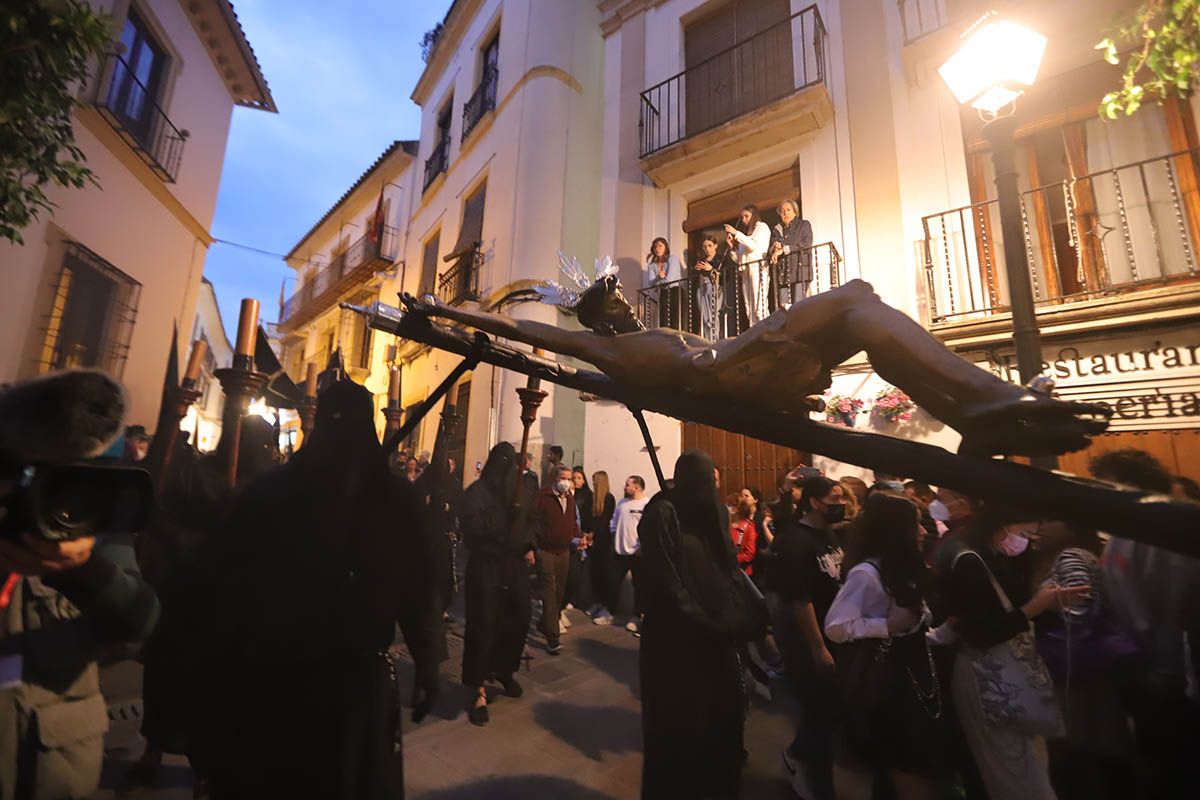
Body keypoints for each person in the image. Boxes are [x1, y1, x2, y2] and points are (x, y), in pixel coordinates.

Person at [419, 275, 1110, 457]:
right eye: (616, 304)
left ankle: (982, 411)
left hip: (741, 365)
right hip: (725, 371)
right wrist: (454, 314)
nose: (627, 307)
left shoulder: (647, 333)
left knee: (865, 319)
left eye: (624, 300)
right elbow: (513, 325)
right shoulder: (604, 349)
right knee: (855, 296)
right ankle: (990, 404)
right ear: (600, 321)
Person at [187, 379, 441, 798]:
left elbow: (416, 586)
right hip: (280, 679)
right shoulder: (272, 495)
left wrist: (428, 658)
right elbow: (226, 600)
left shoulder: (391, 499)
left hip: (347, 687)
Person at [638, 450, 768, 799]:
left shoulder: (711, 520)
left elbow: (729, 573)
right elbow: (668, 585)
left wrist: (738, 621)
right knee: (679, 741)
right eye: (706, 481)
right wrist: (709, 624)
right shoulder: (664, 514)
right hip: (674, 651)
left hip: (716, 649)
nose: (713, 488)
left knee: (719, 737)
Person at [936, 506, 1089, 800]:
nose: (1029, 540)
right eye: (1025, 532)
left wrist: (1046, 603)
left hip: (1002, 680)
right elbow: (982, 632)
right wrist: (1037, 606)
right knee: (1016, 775)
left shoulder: (985, 554)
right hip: (990, 681)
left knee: (1026, 769)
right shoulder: (969, 560)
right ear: (1002, 524)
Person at [1090, 449, 1200, 798]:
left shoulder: (1157, 535)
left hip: (1169, 673)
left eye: (1107, 486)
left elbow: (1176, 608)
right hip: (1147, 669)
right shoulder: (1126, 534)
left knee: (1176, 764)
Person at [825, 493, 948, 800]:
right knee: (904, 762)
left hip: (914, 671)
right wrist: (886, 626)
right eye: (915, 525)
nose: (923, 532)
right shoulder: (867, 574)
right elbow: (837, 626)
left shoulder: (904, 567)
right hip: (892, 681)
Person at [1029, 520, 1137, 800]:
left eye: (1048, 520)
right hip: (1085, 664)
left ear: (1069, 524)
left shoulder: (1071, 555)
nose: (1040, 527)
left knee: (1083, 745)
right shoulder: (1065, 553)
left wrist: (1039, 607)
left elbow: (1077, 610)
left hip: (1076, 665)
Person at [772, 476, 847, 800]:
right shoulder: (796, 540)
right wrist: (818, 648)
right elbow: (801, 600)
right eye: (834, 498)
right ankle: (817, 783)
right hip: (807, 638)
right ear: (815, 502)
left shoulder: (828, 533)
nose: (840, 504)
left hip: (833, 634)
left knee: (827, 711)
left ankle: (798, 754)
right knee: (819, 709)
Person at [459, 442, 537, 726]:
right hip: (487, 567)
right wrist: (502, 522)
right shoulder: (475, 494)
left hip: (513, 565)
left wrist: (528, 542)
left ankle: (505, 669)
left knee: (518, 617)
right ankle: (478, 688)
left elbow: (530, 520)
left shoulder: (517, 491)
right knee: (483, 624)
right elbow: (474, 528)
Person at [533, 465, 582, 655]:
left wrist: (578, 537)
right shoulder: (543, 497)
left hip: (564, 551)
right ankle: (553, 638)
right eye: (563, 478)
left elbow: (572, 523)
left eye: (569, 478)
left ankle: (544, 623)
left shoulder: (569, 498)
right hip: (546, 551)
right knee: (549, 592)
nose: (567, 482)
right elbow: (534, 520)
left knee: (560, 592)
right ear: (555, 478)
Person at [610, 475, 648, 636]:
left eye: (628, 485)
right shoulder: (622, 503)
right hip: (620, 552)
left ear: (637, 487)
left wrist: (642, 547)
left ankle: (636, 616)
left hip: (637, 554)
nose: (624, 487)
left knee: (639, 586)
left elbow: (647, 528)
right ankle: (609, 610)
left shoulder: (647, 504)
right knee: (611, 581)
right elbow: (614, 523)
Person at [724, 204, 771, 327]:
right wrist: (731, 247)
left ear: (754, 215)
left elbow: (753, 246)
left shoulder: (762, 227)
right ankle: (754, 335)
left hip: (758, 269)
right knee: (748, 308)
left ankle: (765, 332)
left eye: (747, 216)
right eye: (742, 217)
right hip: (746, 271)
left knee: (759, 306)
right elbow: (739, 259)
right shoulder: (746, 234)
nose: (744, 220)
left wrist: (737, 234)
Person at [769, 199, 814, 307]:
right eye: (782, 211)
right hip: (784, 274)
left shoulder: (803, 225)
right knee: (784, 310)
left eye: (788, 210)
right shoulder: (777, 230)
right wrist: (774, 248)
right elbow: (772, 249)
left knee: (799, 307)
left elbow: (807, 243)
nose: (785, 213)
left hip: (800, 271)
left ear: (795, 212)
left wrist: (785, 249)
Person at [589, 471, 617, 625]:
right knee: (595, 573)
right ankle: (597, 601)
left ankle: (606, 605)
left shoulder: (608, 498)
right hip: (594, 540)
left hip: (603, 540)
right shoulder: (593, 499)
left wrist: (593, 534)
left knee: (604, 573)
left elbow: (604, 520)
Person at [692, 234, 732, 341]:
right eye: (705, 246)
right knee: (704, 317)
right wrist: (695, 270)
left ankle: (714, 340)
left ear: (715, 245)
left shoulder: (721, 259)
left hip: (714, 287)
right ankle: (706, 340)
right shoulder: (701, 260)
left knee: (713, 316)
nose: (707, 249)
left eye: (709, 245)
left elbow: (727, 276)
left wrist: (711, 269)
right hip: (701, 288)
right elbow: (693, 279)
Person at [645, 237, 684, 329]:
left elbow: (669, 280)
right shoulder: (652, 265)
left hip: (676, 292)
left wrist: (657, 283)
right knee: (664, 322)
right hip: (664, 293)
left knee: (676, 322)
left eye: (660, 246)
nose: (657, 249)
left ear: (665, 247)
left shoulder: (672, 259)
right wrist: (658, 277)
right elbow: (650, 283)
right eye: (655, 247)